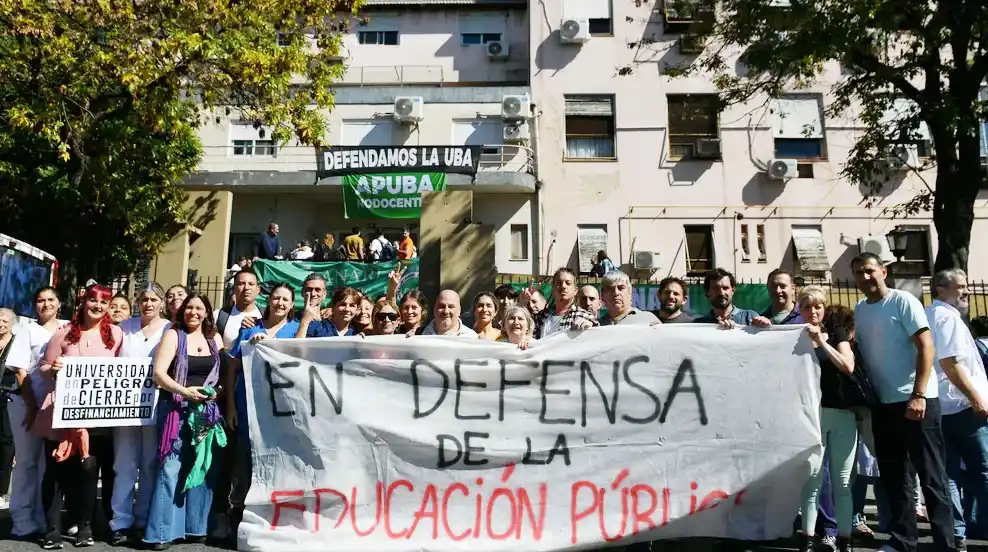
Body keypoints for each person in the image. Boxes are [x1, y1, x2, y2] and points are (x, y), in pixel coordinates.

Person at [851, 252, 956, 552]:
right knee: (896, 479)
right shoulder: (860, 309)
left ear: (883, 271)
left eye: (869, 271)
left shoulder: (903, 301)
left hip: (917, 402)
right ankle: (903, 541)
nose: (864, 277)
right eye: (858, 272)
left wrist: (919, 394)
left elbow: (926, 347)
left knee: (932, 478)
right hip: (883, 406)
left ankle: (945, 544)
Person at [37, 284, 123, 549]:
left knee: (89, 469)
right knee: (57, 469)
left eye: (104, 302)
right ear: (84, 303)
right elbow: (42, 367)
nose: (97, 306)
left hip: (97, 415)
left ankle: (84, 526)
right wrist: (53, 368)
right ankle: (52, 528)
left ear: (109, 307)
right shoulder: (63, 334)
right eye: (93, 301)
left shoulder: (116, 335)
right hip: (61, 412)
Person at [143, 293, 226, 550]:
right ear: (182, 311)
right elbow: (158, 374)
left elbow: (223, 372)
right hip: (176, 409)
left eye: (199, 308)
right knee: (170, 468)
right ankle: (161, 532)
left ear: (207, 312)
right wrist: (184, 391)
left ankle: (196, 527)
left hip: (206, 412)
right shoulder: (173, 335)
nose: (193, 312)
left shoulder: (214, 338)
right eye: (189, 307)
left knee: (202, 466)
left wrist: (218, 391)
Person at [226, 283, 300, 539]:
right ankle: (241, 517)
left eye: (285, 300)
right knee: (248, 462)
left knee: (279, 462)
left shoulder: (296, 330)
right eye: (276, 298)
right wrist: (232, 408)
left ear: (292, 305)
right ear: (269, 302)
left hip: (282, 411)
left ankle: (277, 518)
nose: (280, 303)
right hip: (248, 408)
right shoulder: (250, 329)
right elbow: (233, 368)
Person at [926, 269, 988, 548]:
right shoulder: (946, 318)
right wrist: (975, 397)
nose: (966, 291)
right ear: (940, 289)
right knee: (983, 469)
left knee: (948, 475)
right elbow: (951, 363)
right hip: (962, 407)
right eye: (960, 287)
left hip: (941, 406)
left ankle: (957, 535)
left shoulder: (930, 314)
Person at [796, 286, 857, 552]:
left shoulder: (837, 332)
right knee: (812, 480)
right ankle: (808, 538)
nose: (813, 311)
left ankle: (845, 538)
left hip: (842, 414)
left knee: (842, 481)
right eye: (807, 307)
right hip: (812, 415)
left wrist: (822, 342)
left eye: (817, 306)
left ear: (824, 308)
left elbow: (848, 366)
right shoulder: (793, 335)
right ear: (800, 310)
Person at [109, 283, 171, 546]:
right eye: (144, 299)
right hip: (123, 406)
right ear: (137, 302)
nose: (148, 304)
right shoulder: (124, 328)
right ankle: (120, 521)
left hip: (154, 405)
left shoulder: (170, 329)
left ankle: (143, 518)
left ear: (161, 303)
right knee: (124, 464)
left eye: (153, 299)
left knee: (148, 464)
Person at [5, 286, 65, 540]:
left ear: (59, 303)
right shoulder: (26, 329)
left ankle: (43, 518)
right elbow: (20, 372)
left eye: (51, 299)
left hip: (55, 406)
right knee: (27, 462)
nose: (46, 304)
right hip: (26, 404)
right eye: (40, 300)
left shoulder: (67, 328)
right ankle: (21, 519)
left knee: (47, 465)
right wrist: (31, 406)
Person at [519, 268, 596, 339]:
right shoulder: (541, 317)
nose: (563, 286)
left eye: (568, 283)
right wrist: (521, 304)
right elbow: (519, 332)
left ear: (575, 291)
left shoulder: (583, 316)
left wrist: (591, 325)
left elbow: (600, 335)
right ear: (553, 289)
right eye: (559, 283)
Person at [0, 308, 17, 509]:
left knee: (5, 443)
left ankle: (2, 489)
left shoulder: (16, 343)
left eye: (5, 320)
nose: (1, 324)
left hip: (9, 397)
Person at [297, 287, 361, 338]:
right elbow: (299, 349)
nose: (347, 309)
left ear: (357, 309)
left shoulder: (356, 333)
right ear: (333, 307)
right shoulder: (317, 327)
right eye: (342, 305)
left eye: (352, 305)